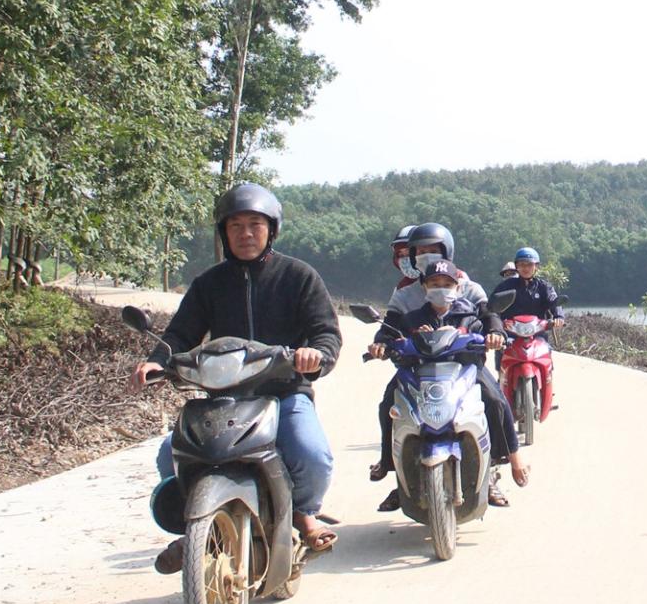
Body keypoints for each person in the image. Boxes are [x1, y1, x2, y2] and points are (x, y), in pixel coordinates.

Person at [132, 183, 341, 574]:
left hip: (283, 393)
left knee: (311, 453)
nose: (246, 233)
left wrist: (316, 354)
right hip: (222, 397)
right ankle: (196, 525)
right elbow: (180, 333)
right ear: (224, 233)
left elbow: (325, 332)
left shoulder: (298, 277)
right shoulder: (209, 284)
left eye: (255, 225)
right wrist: (157, 360)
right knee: (170, 453)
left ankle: (303, 513)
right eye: (236, 226)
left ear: (271, 229)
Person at [368, 258, 528, 505]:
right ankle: (392, 467)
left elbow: (490, 323)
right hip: (423, 375)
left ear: (457, 287)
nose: (440, 288)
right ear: (424, 287)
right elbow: (390, 333)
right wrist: (381, 345)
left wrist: (495, 336)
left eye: (447, 283)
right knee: (390, 405)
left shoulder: (470, 315)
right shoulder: (412, 318)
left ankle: (508, 461)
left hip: (464, 371)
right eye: (434, 283)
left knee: (495, 400)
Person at [490, 247, 564, 329]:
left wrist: (559, 316)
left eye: (530, 264)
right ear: (516, 266)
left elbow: (554, 301)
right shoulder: (505, 286)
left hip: (538, 332)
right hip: (510, 332)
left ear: (536, 266)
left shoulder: (544, 286)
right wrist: (497, 326)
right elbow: (492, 307)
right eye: (522, 264)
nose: (526, 268)